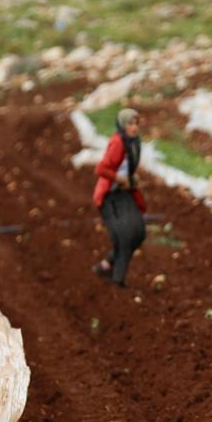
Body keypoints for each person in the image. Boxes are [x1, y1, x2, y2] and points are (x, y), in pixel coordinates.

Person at [92, 108, 147, 288]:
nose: (134, 128)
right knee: (123, 237)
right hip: (110, 196)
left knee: (138, 232)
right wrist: (118, 178)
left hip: (125, 192)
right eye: (130, 124)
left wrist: (131, 179)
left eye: (136, 123)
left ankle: (106, 265)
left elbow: (126, 167)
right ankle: (117, 281)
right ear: (123, 125)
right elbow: (101, 169)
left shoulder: (133, 142)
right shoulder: (118, 143)